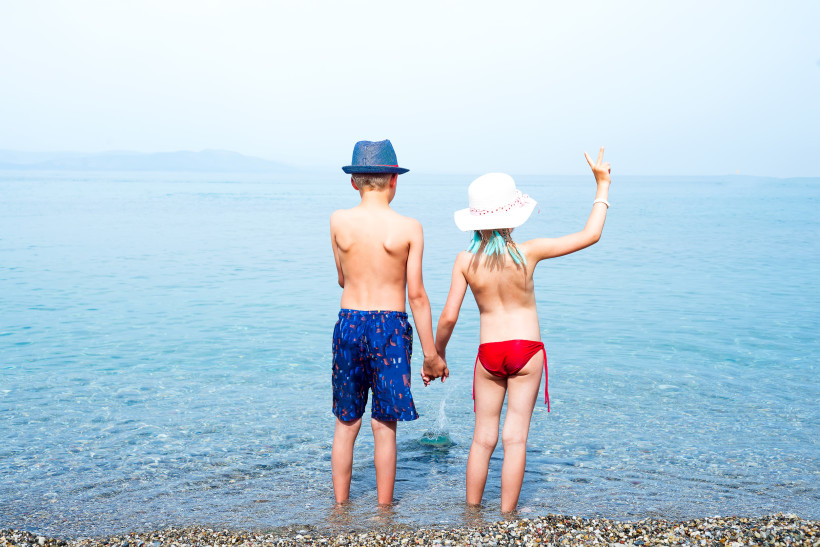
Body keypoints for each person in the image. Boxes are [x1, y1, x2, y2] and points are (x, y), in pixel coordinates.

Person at [434, 147, 612, 512]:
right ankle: (507, 516)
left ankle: (471, 515)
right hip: (526, 351)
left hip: (489, 353)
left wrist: (437, 355)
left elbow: (449, 316)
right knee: (515, 439)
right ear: (513, 217)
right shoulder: (528, 252)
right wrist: (602, 185)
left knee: (482, 439)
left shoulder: (465, 261)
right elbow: (591, 234)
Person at [329, 139, 449, 507]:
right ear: (394, 180)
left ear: (354, 182)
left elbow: (342, 279)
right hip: (391, 328)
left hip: (349, 323)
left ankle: (340, 509)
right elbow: (417, 296)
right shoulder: (410, 228)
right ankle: (384, 512)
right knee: (384, 426)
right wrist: (431, 355)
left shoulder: (338, 221)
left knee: (346, 423)